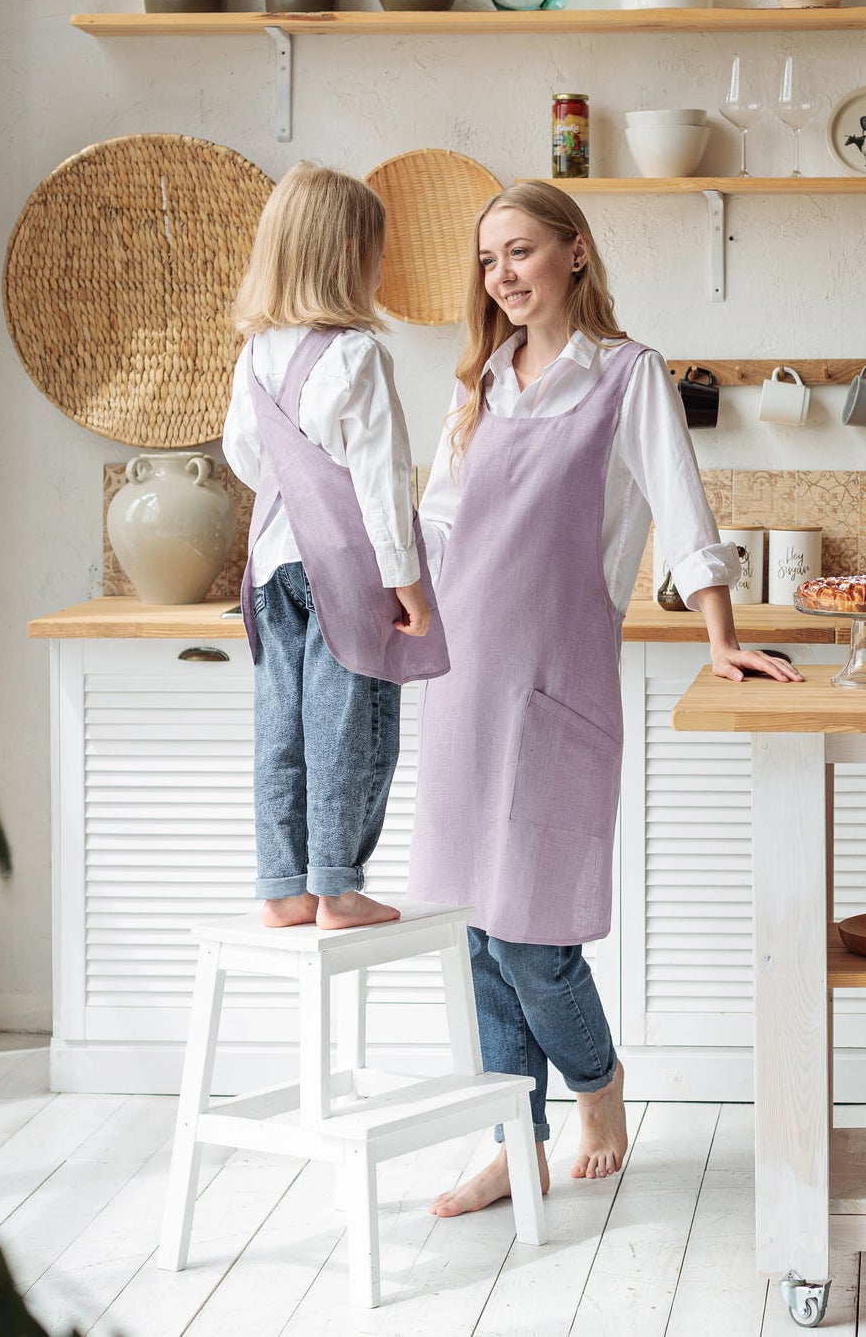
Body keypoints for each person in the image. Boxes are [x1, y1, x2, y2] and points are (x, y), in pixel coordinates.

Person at [410, 182, 801, 1216]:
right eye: (489, 257)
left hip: (552, 684)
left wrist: (719, 634)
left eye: (522, 250)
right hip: (458, 684)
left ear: (574, 254)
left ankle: (597, 1082)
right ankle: (512, 1137)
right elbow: (435, 535)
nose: (502, 273)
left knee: (532, 931)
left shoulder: (627, 375)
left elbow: (680, 505)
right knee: (473, 927)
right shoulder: (478, 386)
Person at [223, 163, 448, 933]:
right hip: (346, 570)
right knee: (351, 720)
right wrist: (408, 582)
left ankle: (283, 885)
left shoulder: (254, 355)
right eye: (377, 253)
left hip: (272, 563)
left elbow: (246, 461)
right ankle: (339, 888)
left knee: (280, 724)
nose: (382, 268)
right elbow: (383, 484)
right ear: (349, 253)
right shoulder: (355, 357)